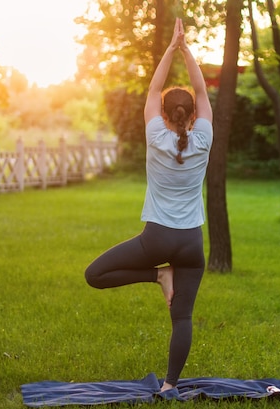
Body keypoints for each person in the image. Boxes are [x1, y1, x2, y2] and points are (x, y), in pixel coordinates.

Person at [85, 17, 213, 392]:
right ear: (191, 116)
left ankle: (157, 275)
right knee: (183, 317)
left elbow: (156, 88)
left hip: (156, 239)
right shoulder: (203, 136)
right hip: (191, 243)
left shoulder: (154, 133)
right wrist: (188, 50)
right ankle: (170, 385)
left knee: (94, 275)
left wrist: (171, 48)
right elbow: (202, 92)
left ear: (163, 112)